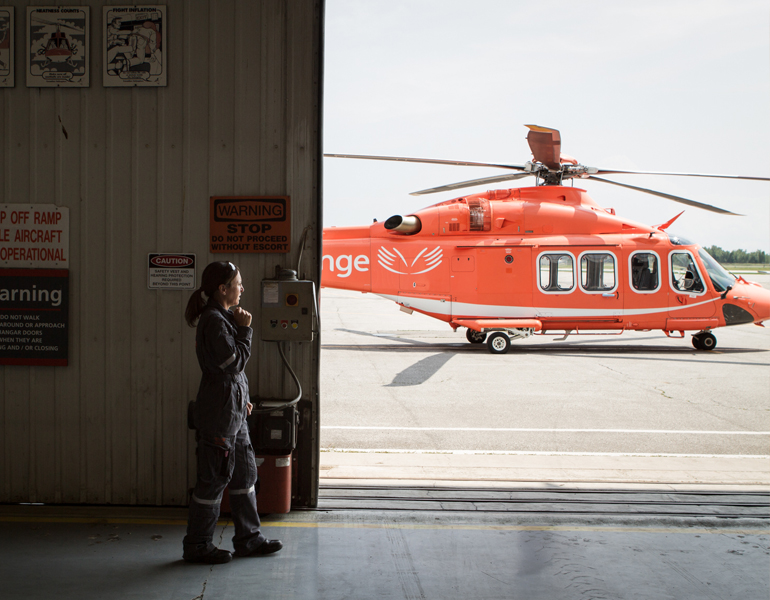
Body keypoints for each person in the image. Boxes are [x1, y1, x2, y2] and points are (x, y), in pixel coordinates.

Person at [182, 261, 282, 564]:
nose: (242, 289)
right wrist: (245, 331)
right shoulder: (214, 321)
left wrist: (245, 399)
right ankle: (198, 545)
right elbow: (232, 364)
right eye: (238, 283)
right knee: (213, 481)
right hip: (219, 417)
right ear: (222, 289)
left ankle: (248, 539)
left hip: (234, 414)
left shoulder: (224, 317)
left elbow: (234, 376)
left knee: (244, 476)